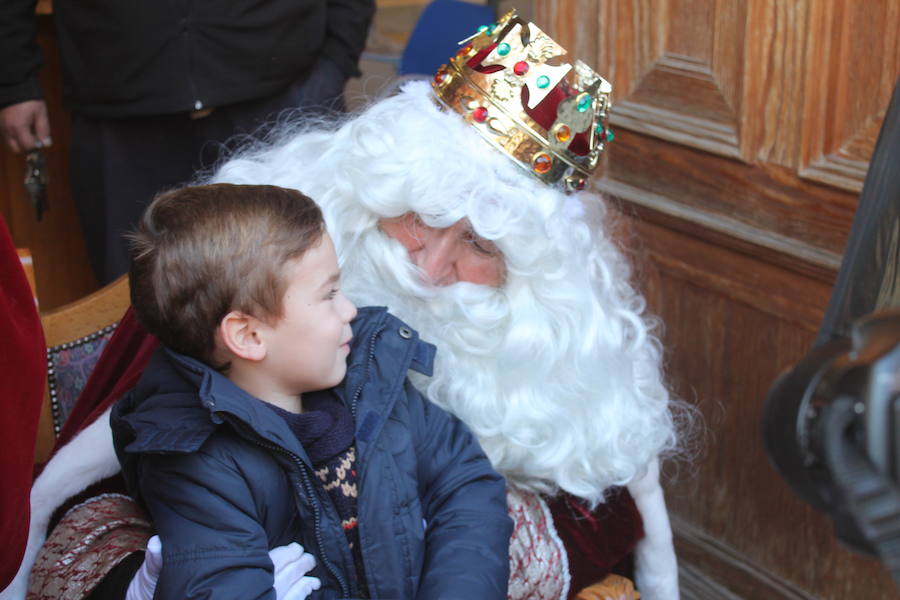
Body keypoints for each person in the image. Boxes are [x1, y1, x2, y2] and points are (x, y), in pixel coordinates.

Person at [5, 10, 687, 600]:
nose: (429, 264)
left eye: (479, 243)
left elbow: (481, 490)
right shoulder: (254, 283)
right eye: (422, 213)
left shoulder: (481, 385)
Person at [119, 182, 511, 599]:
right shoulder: (201, 465)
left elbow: (465, 481)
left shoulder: (370, 378)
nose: (351, 310)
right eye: (329, 294)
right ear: (249, 335)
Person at [0, 0, 374, 284]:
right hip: (121, 111)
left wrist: (334, 63)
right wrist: (14, 81)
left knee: (298, 284)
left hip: (279, 95)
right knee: (130, 299)